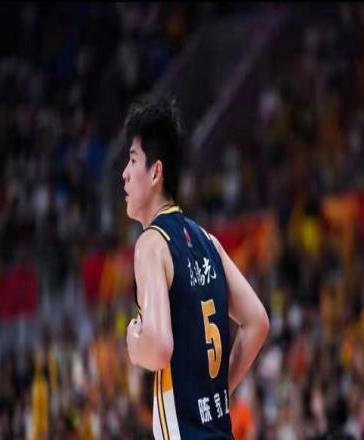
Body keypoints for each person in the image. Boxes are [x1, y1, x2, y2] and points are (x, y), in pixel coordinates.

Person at [122, 95, 270, 439]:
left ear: (156, 172)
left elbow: (158, 347)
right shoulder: (209, 241)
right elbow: (257, 322)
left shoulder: (151, 244)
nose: (124, 174)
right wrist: (219, 393)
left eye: (132, 160)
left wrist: (133, 341)